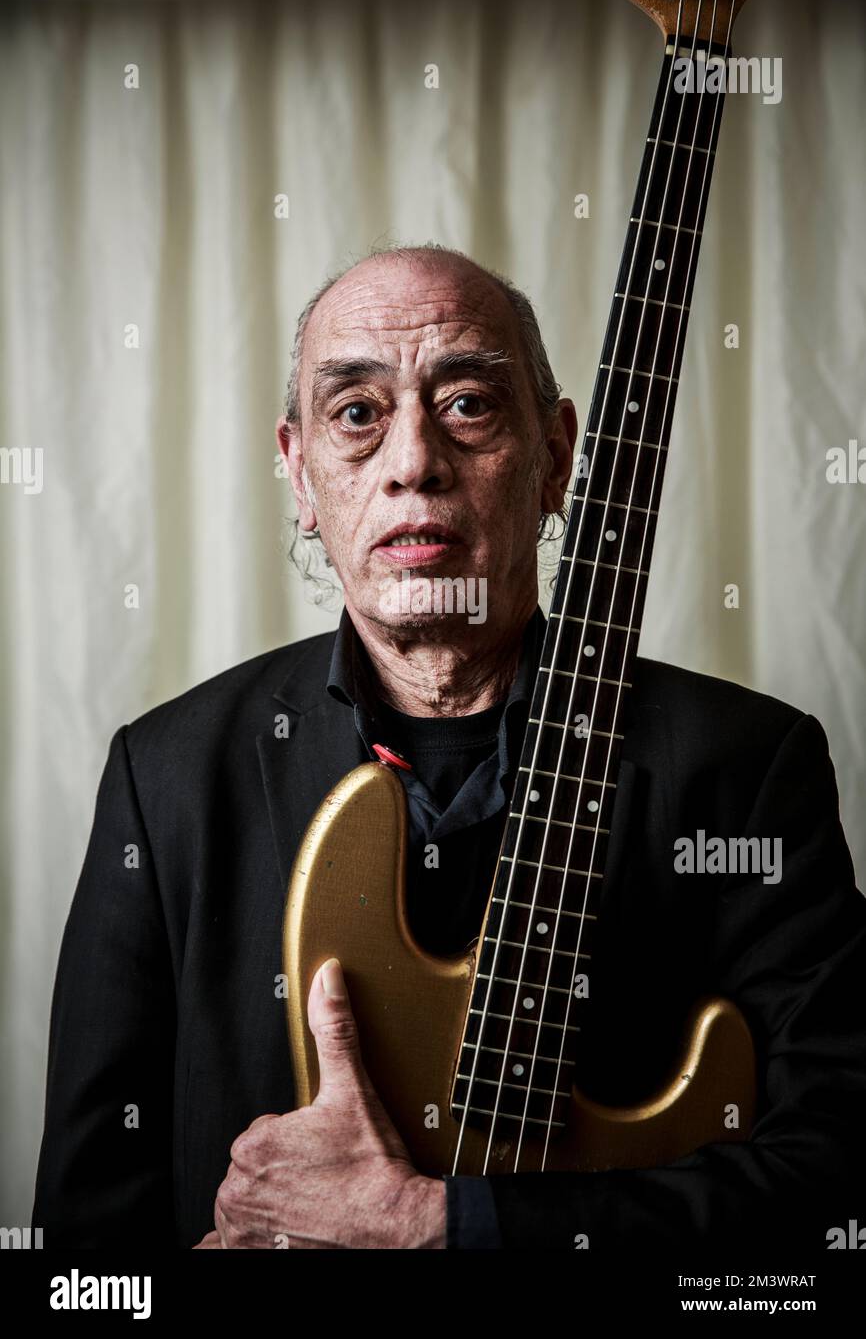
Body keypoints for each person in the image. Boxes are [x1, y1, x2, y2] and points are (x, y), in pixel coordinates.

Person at [32, 244, 866, 1250]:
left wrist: (446, 1222)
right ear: (299, 472)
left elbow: (834, 1171)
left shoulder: (745, 769)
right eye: (356, 414)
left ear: (556, 455)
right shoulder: (163, 777)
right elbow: (83, 1243)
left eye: (468, 403)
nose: (413, 461)